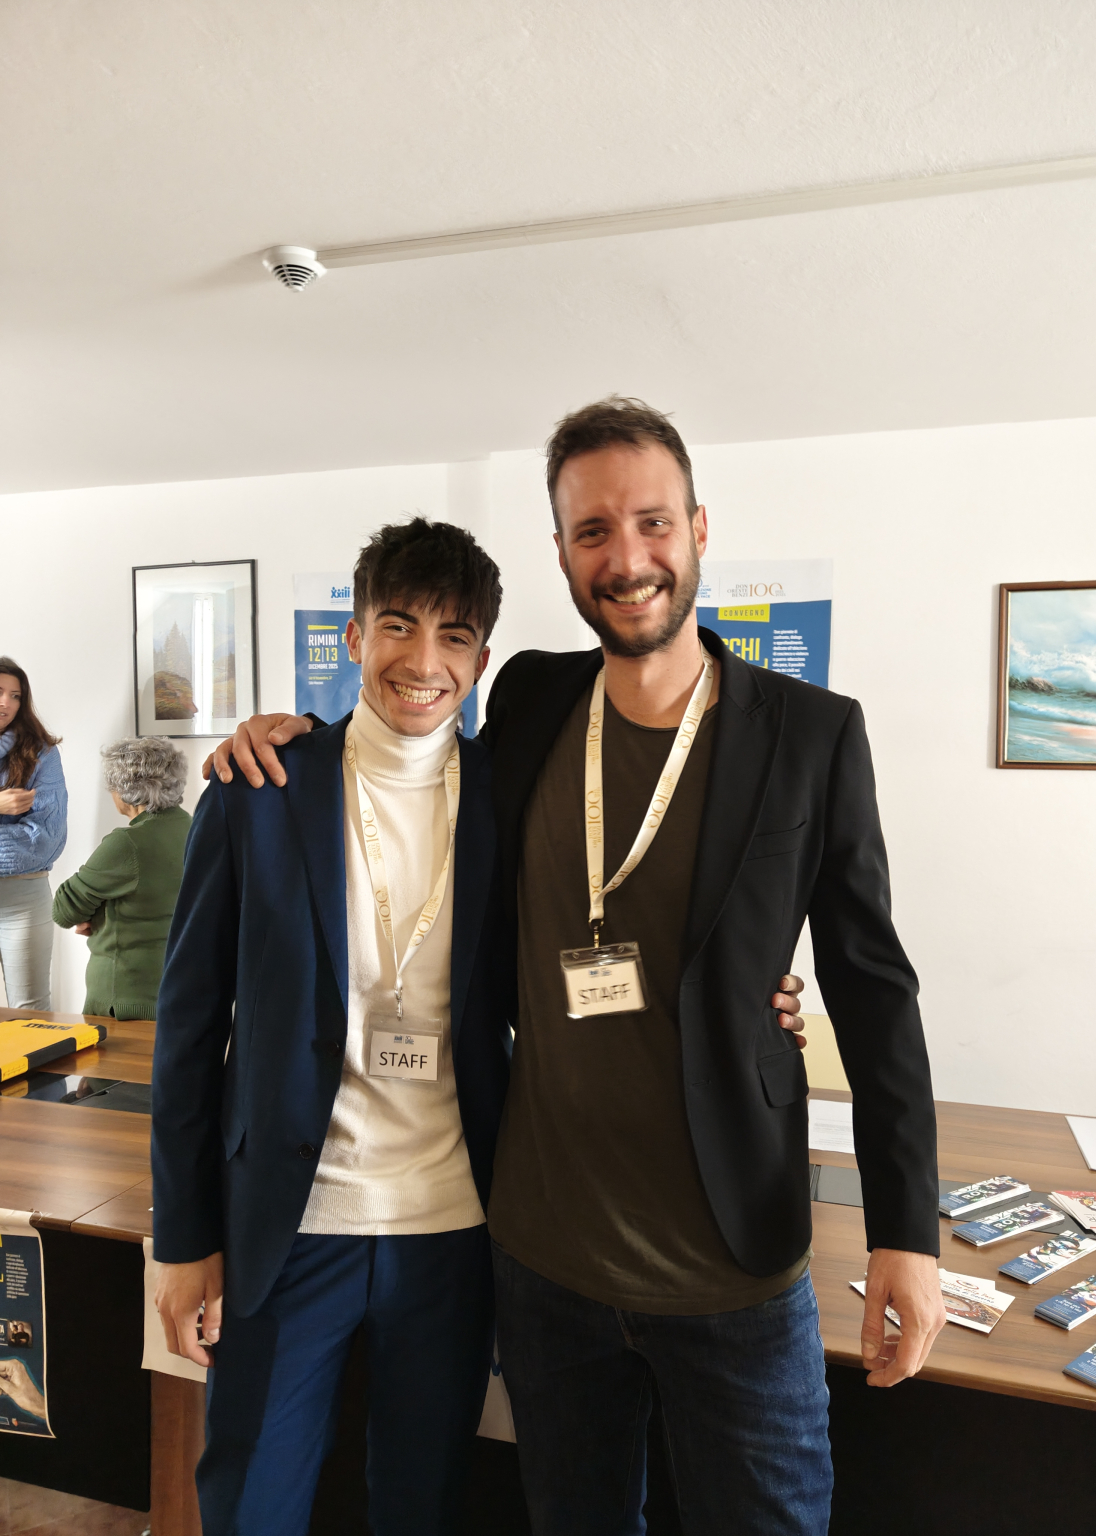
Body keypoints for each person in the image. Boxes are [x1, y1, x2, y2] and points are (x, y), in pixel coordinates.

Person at [217, 398, 944, 1536]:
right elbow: (410, 757)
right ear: (561, 553)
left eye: (652, 522)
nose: (628, 557)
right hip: (547, 1263)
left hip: (735, 1267)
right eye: (593, 531)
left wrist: (908, 1230)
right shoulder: (532, 700)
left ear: (698, 528)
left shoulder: (811, 734)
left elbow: (874, 987)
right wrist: (288, 733)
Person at [151, 521, 514, 1536]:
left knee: (420, 1505)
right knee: (250, 1505)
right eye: (398, 625)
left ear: (482, 659)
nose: (424, 661)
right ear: (353, 636)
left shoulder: (508, 797)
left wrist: (756, 999)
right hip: (288, 1225)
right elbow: (188, 1025)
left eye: (454, 636)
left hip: (452, 1230)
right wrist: (182, 1240)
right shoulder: (260, 786)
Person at [52, 738, 191, 1020]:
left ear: (125, 790)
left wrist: (96, 915)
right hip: (184, 994)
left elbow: (64, 911)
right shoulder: (195, 829)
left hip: (126, 1001)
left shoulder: (127, 844)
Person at [0, 658, 67, 1011]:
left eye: (16, 695)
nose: (6, 703)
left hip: (22, 898)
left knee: (31, 1012)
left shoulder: (42, 753)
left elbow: (44, 839)